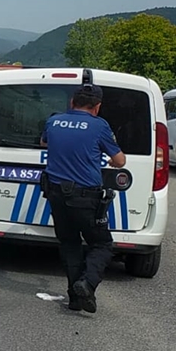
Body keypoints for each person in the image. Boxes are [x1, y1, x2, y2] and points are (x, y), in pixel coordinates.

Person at [40, 83, 126, 314]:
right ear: (97, 107)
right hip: (86, 197)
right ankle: (87, 283)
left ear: (72, 103)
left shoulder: (54, 121)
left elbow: (44, 142)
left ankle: (75, 299)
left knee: (69, 244)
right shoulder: (99, 126)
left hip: (56, 193)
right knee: (102, 243)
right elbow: (120, 161)